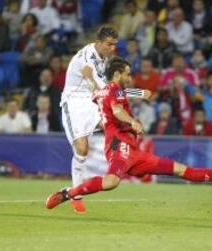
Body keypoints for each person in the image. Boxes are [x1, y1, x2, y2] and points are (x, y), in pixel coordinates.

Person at [46, 56, 212, 210]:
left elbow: (97, 90)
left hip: (134, 152)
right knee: (111, 182)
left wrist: (91, 76)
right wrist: (132, 120)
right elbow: (117, 110)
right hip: (119, 147)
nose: (130, 78)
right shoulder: (114, 92)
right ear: (116, 75)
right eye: (127, 74)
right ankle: (68, 193)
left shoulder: (104, 92)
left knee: (181, 170)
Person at [60, 27, 150, 213]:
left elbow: (109, 88)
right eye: (109, 44)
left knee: (116, 123)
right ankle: (76, 195)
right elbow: (103, 89)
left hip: (92, 100)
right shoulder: (87, 60)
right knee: (82, 149)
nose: (112, 48)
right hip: (74, 103)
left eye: (115, 45)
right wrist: (138, 93)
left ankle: (124, 159)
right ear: (98, 42)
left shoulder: (105, 58)